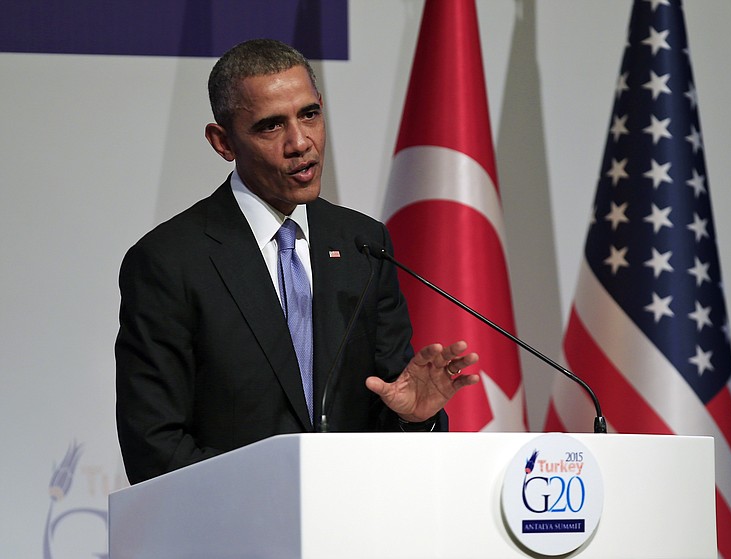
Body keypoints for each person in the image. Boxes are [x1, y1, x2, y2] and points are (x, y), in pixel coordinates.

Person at [115, 38, 479, 485]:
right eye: (271, 126)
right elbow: (154, 444)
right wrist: (273, 509)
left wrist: (415, 418)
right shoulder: (169, 261)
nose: (300, 142)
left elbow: (387, 415)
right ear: (223, 142)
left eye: (309, 114)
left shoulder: (363, 244)